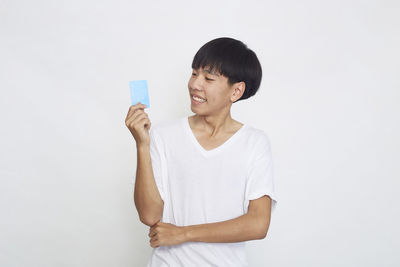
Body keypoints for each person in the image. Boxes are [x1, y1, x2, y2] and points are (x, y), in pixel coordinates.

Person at [125, 37, 278, 266]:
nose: (195, 84)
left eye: (208, 78)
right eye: (194, 73)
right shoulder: (163, 135)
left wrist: (183, 233)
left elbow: (258, 224)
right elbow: (149, 216)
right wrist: (142, 145)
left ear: (236, 91)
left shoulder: (254, 143)